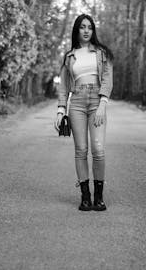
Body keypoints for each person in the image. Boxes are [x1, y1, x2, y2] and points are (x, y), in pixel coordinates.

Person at [54, 14, 114, 211]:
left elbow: (107, 79)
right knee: (81, 150)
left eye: (89, 27)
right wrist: (61, 110)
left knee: (98, 149)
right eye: (82, 27)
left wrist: (103, 105)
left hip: (97, 100)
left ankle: (99, 196)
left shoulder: (102, 53)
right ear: (77, 30)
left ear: (93, 30)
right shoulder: (70, 56)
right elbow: (63, 86)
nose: (86, 30)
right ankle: (85, 196)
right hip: (77, 102)